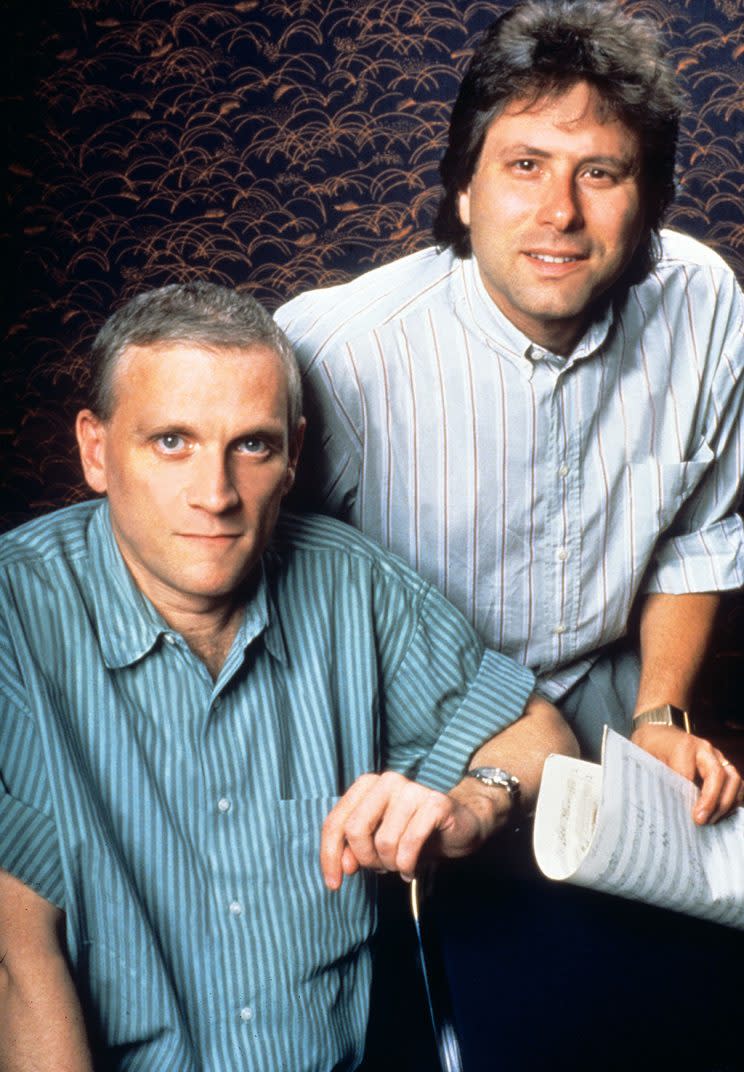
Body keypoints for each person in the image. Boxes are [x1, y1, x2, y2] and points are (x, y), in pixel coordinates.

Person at [0, 282, 579, 1071]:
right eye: (172, 442)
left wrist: (469, 807)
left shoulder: (350, 582)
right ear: (96, 451)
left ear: (294, 453)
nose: (216, 495)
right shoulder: (14, 614)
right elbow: (18, 971)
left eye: (252, 445)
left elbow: (540, 733)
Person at [276, 0, 744, 799]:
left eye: (599, 173)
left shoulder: (703, 303)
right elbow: (267, 599)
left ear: (650, 208)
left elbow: (696, 537)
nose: (560, 212)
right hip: (414, 718)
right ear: (464, 189)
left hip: (607, 693)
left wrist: (660, 715)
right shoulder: (335, 352)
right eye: (526, 165)